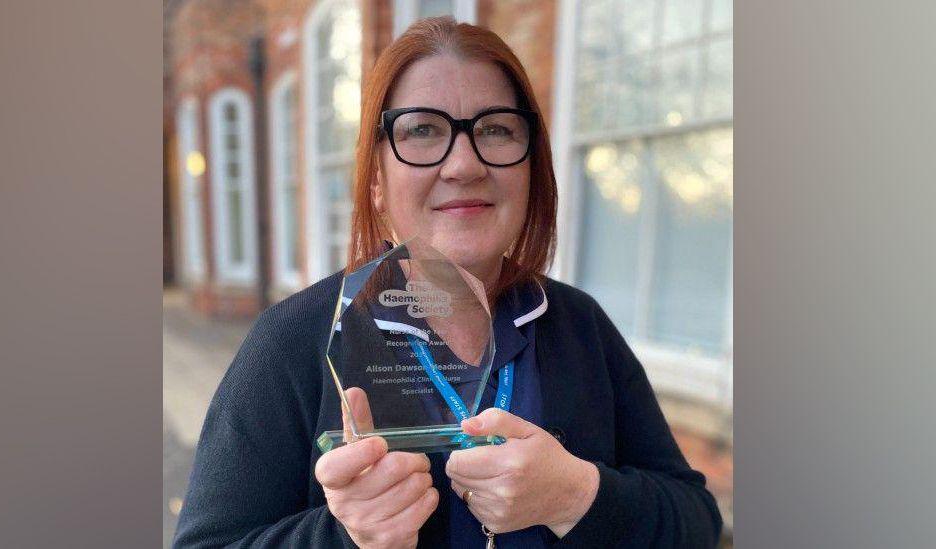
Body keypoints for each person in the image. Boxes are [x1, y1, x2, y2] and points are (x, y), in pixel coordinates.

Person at [174, 16, 723, 548]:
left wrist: (576, 497)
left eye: (496, 129)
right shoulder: (294, 340)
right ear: (377, 184)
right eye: (422, 130)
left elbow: (696, 522)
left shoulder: (579, 325)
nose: (464, 164)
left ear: (533, 169)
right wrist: (347, 538)